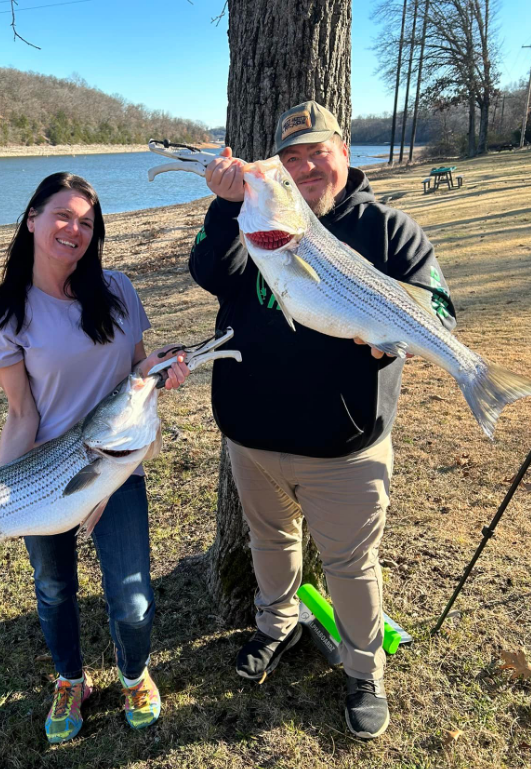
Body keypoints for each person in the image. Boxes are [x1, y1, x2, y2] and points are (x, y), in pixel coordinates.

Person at [189, 100, 456, 739]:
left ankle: (365, 670)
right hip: (251, 437)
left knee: (351, 564)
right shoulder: (253, 215)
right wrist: (226, 205)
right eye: (291, 157)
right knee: (271, 543)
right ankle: (274, 624)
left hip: (345, 445)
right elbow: (208, 271)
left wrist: (401, 336)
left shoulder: (390, 229)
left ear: (343, 151)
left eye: (318, 151)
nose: (306, 166)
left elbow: (439, 308)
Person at [0, 172, 189, 744]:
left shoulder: (117, 289)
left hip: (117, 465)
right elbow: (22, 414)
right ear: (32, 219)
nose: (75, 230)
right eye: (63, 216)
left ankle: (134, 672)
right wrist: (3, 492)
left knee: (133, 597)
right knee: (54, 590)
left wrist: (162, 372)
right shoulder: (6, 314)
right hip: (46, 473)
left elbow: (137, 371)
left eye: (87, 223)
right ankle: (70, 679)